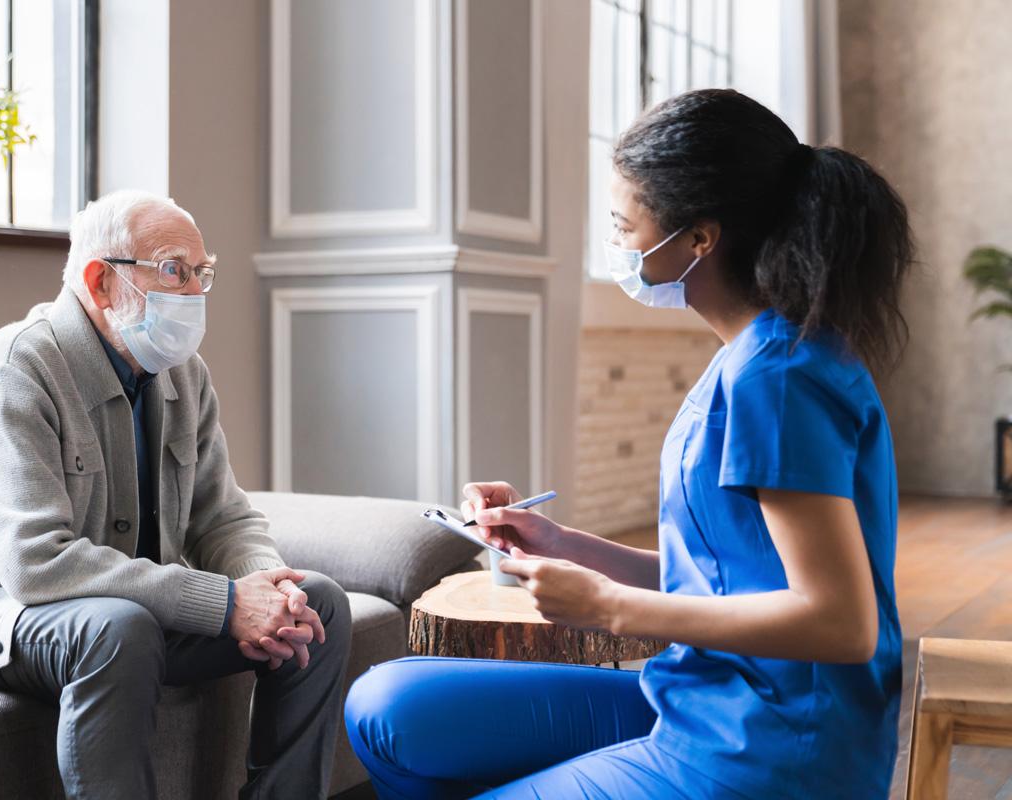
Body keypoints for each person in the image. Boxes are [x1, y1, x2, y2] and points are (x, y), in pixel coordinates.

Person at [344, 88, 913, 799]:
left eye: (624, 225)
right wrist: (563, 543)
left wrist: (608, 606)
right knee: (385, 706)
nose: (620, 246)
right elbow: (724, 572)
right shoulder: (755, 353)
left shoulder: (780, 377)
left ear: (700, 237)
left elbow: (841, 623)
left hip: (772, 746)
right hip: (698, 697)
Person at [0, 190, 351, 800]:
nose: (193, 292)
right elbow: (35, 563)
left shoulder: (183, 373)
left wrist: (271, 589)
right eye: (173, 271)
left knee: (317, 605)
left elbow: (223, 517)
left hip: (125, 608)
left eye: (201, 273)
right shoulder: (17, 369)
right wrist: (221, 604)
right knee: (118, 628)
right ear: (101, 282)